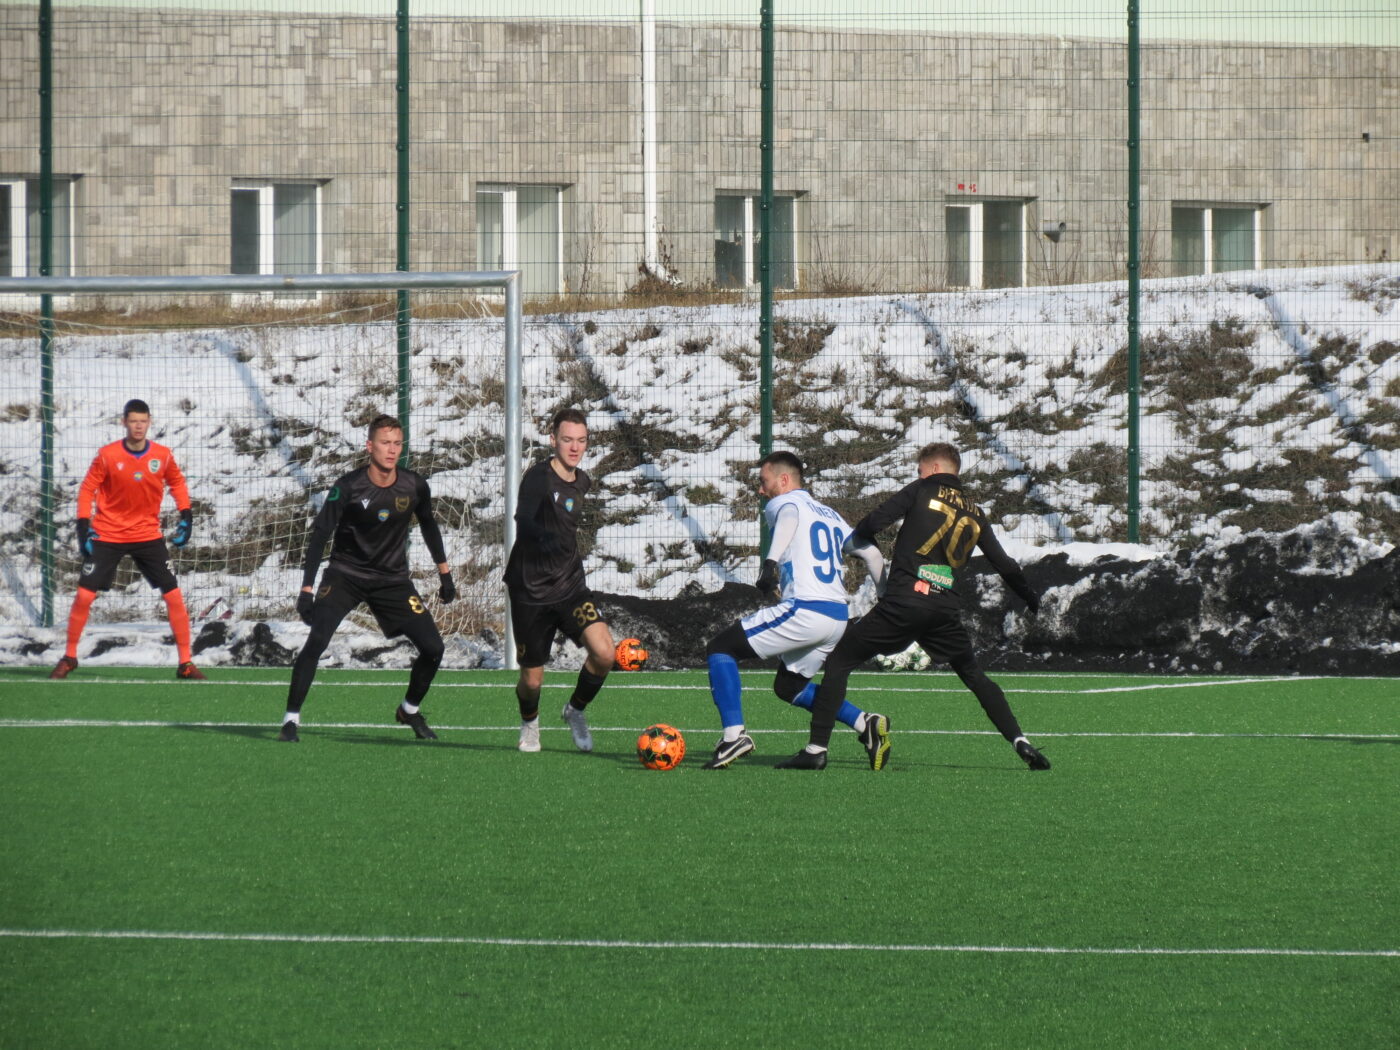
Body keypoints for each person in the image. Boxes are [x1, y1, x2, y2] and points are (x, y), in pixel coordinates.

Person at [778, 441, 1050, 772]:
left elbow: (873, 523)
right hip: (944, 611)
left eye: (920, 470)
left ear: (934, 469)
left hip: (904, 603)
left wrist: (861, 543)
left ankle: (816, 749)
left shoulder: (923, 489)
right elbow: (1004, 563)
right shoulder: (976, 512)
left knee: (839, 661)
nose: (919, 475)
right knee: (974, 675)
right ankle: (1020, 740)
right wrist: (1029, 596)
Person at [701, 451, 890, 769]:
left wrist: (769, 563)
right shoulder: (830, 514)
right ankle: (864, 723)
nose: (761, 490)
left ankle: (734, 736)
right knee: (789, 687)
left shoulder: (785, 503)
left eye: (764, 481)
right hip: (836, 617)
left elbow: (789, 515)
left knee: (721, 648)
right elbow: (872, 554)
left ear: (784, 479)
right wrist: (885, 597)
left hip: (806, 610)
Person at [278, 414, 456, 743]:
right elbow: (320, 534)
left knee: (434, 648)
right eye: (385, 443)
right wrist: (307, 589)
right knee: (317, 640)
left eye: (397, 443)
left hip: (392, 581)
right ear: (369, 446)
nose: (392, 450)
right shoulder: (348, 486)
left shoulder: (414, 485)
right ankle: (290, 719)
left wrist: (444, 573)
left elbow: (429, 525)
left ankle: (409, 710)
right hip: (345, 575)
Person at [49, 399, 203, 680]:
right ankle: (69, 657)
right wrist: (83, 526)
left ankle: (186, 663)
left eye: (143, 421)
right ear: (124, 422)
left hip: (147, 535)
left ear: (149, 422)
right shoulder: (107, 455)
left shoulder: (162, 455)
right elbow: (87, 489)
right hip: (108, 534)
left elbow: (177, 483)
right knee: (84, 595)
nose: (138, 426)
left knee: (173, 595)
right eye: (133, 421)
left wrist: (186, 515)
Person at [504, 408, 615, 753]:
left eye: (581, 440)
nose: (574, 447)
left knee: (605, 653)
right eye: (567, 440)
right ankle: (529, 722)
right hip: (531, 592)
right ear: (553, 440)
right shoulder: (538, 478)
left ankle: (575, 710)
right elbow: (523, 518)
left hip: (570, 588)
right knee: (532, 680)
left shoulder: (582, 481)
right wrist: (542, 537)